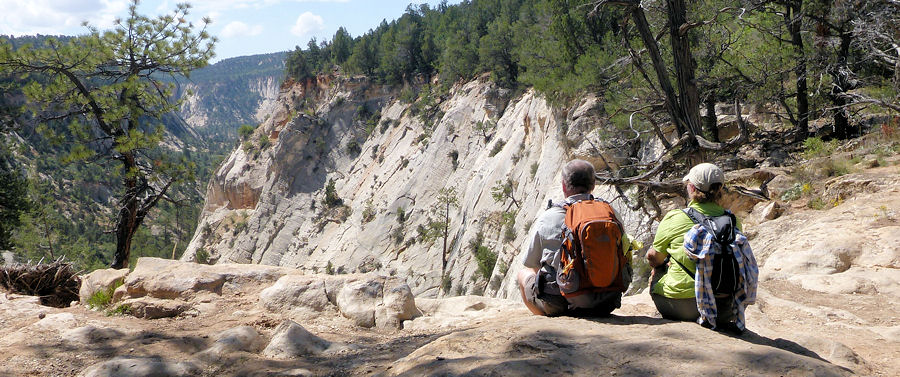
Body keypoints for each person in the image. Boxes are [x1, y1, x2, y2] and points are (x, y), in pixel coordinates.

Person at [516, 159, 633, 316]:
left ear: (564, 186)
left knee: (524, 273)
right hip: (606, 301)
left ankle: (544, 321)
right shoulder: (609, 212)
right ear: (593, 185)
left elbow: (534, 264)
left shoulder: (549, 216)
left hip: (561, 303)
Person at [646, 162, 743, 326]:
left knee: (657, 267)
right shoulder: (733, 221)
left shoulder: (675, 217)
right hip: (724, 308)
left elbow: (654, 258)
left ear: (691, 188)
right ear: (720, 189)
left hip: (683, 306)